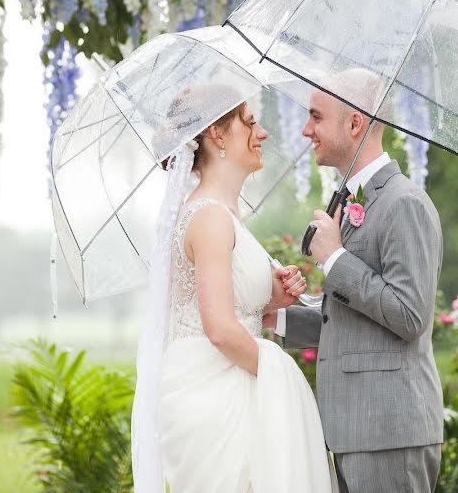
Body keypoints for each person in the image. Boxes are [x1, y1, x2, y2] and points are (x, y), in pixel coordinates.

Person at [133, 93, 333, 493]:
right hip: (218, 397)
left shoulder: (222, 214)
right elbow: (221, 330)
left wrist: (271, 297)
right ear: (216, 134)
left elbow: (223, 306)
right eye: (249, 122)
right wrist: (281, 373)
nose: (263, 133)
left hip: (227, 383)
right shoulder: (209, 219)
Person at [267, 69, 445, 492]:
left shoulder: (404, 203)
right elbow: (355, 321)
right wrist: (276, 319)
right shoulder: (351, 202)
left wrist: (335, 258)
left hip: (389, 433)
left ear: (354, 124)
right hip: (352, 432)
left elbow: (409, 314)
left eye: (316, 117)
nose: (306, 129)